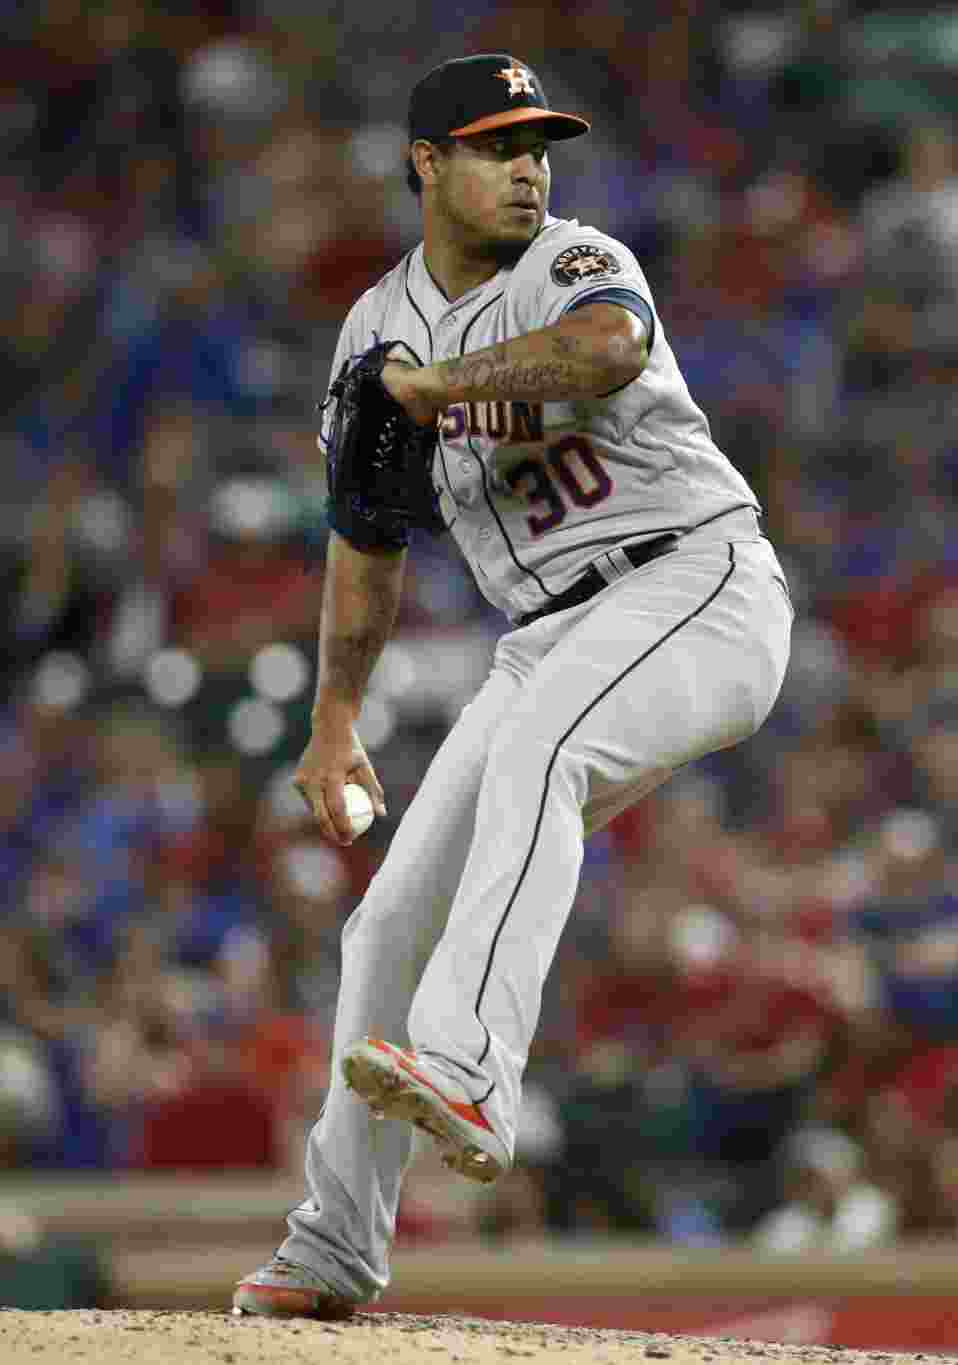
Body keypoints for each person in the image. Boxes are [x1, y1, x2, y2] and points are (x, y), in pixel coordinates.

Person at [233, 53, 793, 1320]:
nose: (529, 166)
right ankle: (333, 1250)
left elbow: (604, 353)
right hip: (548, 636)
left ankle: (472, 1069)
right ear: (427, 164)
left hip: (693, 585)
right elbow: (366, 533)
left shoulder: (577, 262)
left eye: (538, 144)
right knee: (387, 924)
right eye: (496, 145)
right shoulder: (372, 329)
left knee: (545, 751)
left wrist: (438, 390)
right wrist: (332, 725)